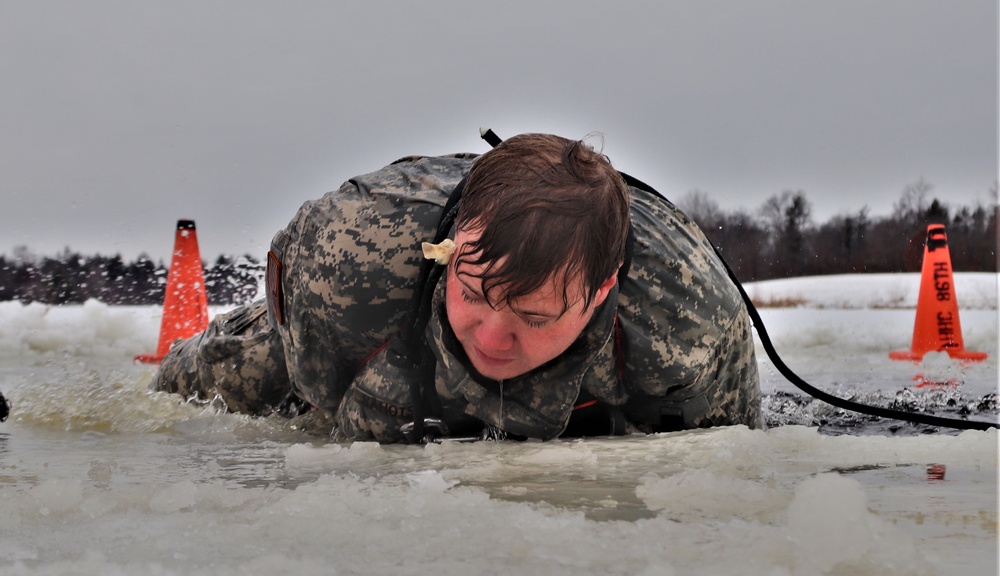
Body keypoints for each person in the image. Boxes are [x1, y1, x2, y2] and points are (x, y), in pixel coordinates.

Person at [154, 132, 762, 442]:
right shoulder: (349, 256)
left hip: (607, 371)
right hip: (381, 300)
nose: (494, 336)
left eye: (534, 315)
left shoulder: (685, 321)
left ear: (601, 292)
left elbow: (722, 460)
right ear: (448, 256)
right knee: (194, 383)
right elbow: (316, 415)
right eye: (474, 295)